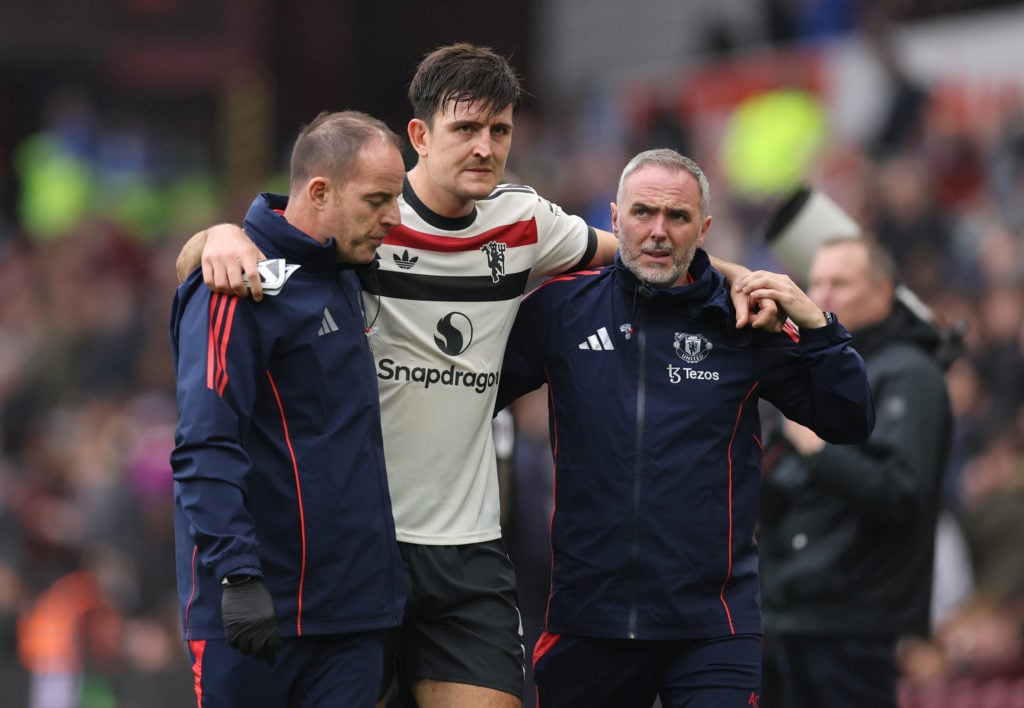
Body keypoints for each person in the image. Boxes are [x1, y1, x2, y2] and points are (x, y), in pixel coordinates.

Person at [174, 44, 781, 708]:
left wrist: (743, 276)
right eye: (465, 129)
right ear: (420, 136)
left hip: (466, 549)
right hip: (360, 553)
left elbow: (648, 255)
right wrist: (217, 236)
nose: (485, 147)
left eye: (500, 130)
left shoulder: (523, 222)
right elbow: (275, 248)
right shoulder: (367, 220)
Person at [494, 148, 875, 708]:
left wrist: (815, 321)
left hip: (712, 625)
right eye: (643, 213)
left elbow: (849, 418)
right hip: (588, 618)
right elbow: (471, 396)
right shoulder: (562, 308)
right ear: (614, 215)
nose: (658, 232)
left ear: (705, 229)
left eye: (677, 217)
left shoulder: (746, 318)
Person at [169, 110, 407, 707]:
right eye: (378, 199)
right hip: (255, 613)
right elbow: (204, 443)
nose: (394, 218)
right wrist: (238, 575)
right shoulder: (234, 284)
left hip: (351, 620)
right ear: (320, 191)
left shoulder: (350, 273)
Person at [758, 235, 953, 708]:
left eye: (840, 283)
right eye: (817, 281)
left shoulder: (910, 373)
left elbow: (902, 492)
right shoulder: (819, 371)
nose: (822, 295)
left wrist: (815, 449)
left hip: (854, 624)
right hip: (791, 615)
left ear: (883, 291)